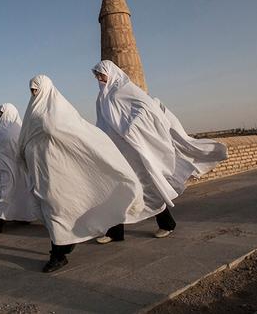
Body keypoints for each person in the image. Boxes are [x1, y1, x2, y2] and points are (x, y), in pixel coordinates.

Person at [18, 75, 146, 272]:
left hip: (61, 171)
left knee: (58, 210)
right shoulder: (32, 113)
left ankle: (58, 255)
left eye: (37, 89)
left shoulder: (60, 111)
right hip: (42, 173)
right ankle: (66, 243)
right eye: (32, 90)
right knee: (54, 209)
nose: (34, 93)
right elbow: (24, 140)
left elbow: (76, 134)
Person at [92, 60, 228, 242]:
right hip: (117, 151)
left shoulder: (125, 89)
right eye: (97, 76)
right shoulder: (102, 97)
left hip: (135, 150)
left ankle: (167, 223)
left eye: (101, 74)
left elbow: (146, 107)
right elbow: (103, 123)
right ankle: (115, 232)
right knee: (118, 188)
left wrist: (131, 129)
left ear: (111, 73)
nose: (99, 78)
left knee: (148, 187)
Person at [0, 103, 38, 233]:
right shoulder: (20, 129)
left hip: (8, 170)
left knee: (5, 194)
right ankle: (24, 217)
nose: (0, 116)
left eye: (1, 113)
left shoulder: (4, 132)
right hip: (21, 170)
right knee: (22, 192)